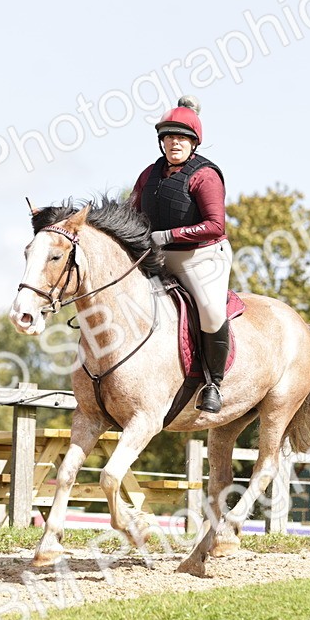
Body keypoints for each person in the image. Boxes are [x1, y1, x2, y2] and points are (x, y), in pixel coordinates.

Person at [131, 95, 233, 413]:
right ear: (162, 141)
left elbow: (215, 226)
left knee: (210, 309)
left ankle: (212, 383)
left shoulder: (205, 176)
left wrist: (169, 235)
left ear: (193, 143)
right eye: (169, 136)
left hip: (201, 257)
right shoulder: (149, 175)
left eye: (182, 137)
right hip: (158, 257)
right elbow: (131, 214)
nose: (175, 142)